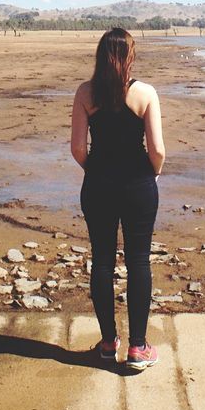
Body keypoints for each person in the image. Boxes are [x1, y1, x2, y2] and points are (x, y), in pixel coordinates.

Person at [71, 27, 166, 370]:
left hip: (98, 186)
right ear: (129, 57)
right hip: (138, 186)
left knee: (102, 261)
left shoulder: (85, 92)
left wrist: (96, 169)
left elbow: (78, 149)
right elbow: (157, 149)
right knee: (139, 261)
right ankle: (138, 347)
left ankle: (109, 342)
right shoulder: (145, 93)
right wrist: (153, 174)